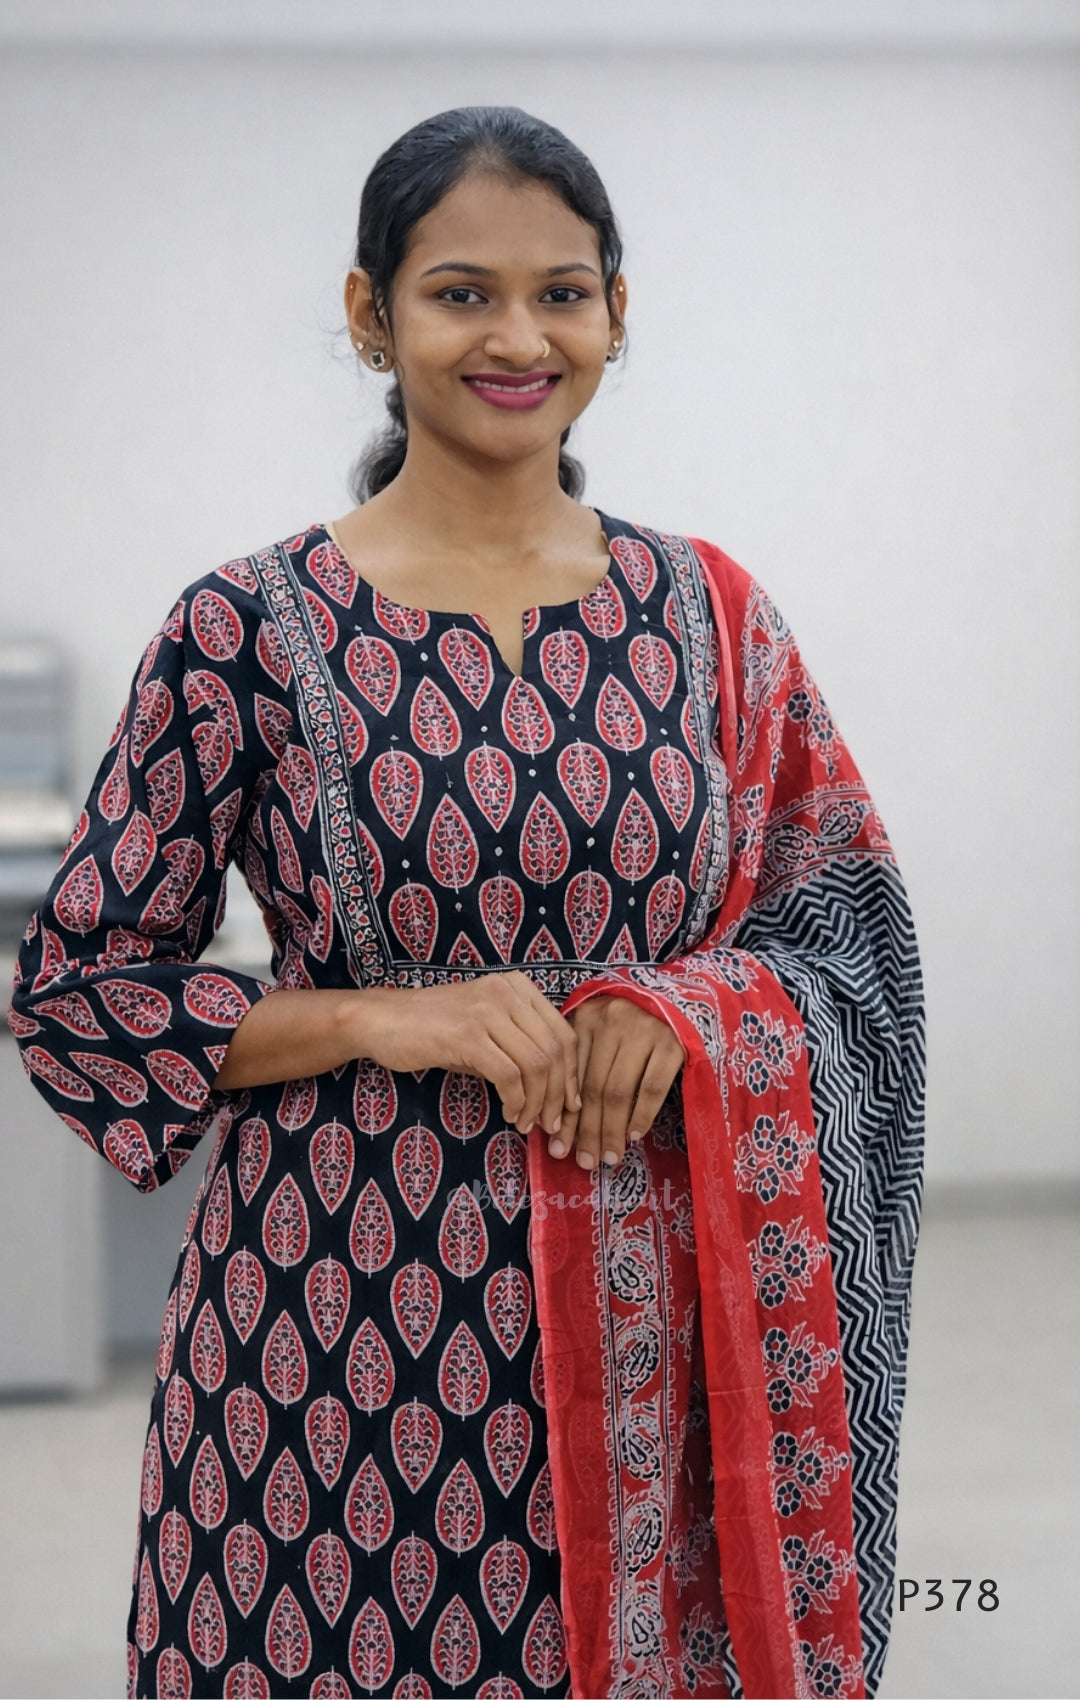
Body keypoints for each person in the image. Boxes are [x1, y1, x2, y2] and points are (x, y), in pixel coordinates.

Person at [8, 106, 923, 1700]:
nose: (518, 337)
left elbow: (850, 936)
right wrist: (383, 1012)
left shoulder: (715, 619)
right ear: (372, 313)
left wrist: (689, 1006)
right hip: (331, 1335)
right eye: (460, 293)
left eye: (563, 293)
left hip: (661, 1338)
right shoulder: (245, 630)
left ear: (617, 316)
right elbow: (83, 990)